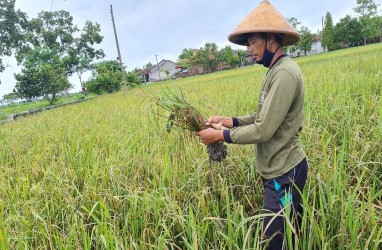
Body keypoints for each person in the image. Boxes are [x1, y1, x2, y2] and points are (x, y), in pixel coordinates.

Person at [195, 0, 308, 249]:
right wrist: (228, 121)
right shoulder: (274, 70)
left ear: (271, 39)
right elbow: (261, 117)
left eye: (253, 42)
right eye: (248, 44)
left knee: (273, 241)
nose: (250, 49)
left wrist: (219, 136)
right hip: (280, 169)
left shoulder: (284, 74)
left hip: (284, 173)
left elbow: (262, 130)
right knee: (289, 235)